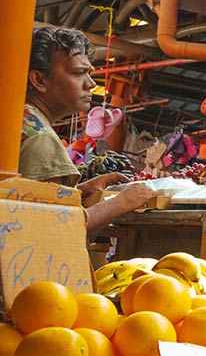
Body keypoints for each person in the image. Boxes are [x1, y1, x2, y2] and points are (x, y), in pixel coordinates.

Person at [24, 26, 155, 230]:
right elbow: (52, 228)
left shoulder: (22, 119)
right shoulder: (39, 137)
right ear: (39, 80)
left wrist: (78, 190)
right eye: (79, 73)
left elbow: (25, 203)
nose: (91, 84)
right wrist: (122, 202)